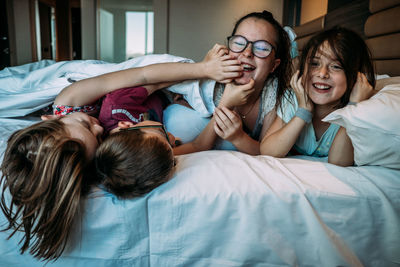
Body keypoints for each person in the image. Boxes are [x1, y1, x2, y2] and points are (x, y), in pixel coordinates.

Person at [0, 46, 242, 261]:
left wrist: (204, 69)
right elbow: (195, 146)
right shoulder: (114, 149)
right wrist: (224, 107)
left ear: (52, 118)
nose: (98, 127)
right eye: (98, 137)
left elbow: (142, 75)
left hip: (142, 86)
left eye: (86, 125)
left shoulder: (70, 100)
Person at [165, 10, 292, 155]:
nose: (247, 52)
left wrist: (239, 137)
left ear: (273, 65)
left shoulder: (272, 94)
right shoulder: (214, 83)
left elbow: (266, 151)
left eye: (262, 48)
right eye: (239, 43)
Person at [260, 27, 376, 166]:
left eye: (336, 66)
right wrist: (303, 111)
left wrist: (353, 107)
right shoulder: (294, 99)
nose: (322, 73)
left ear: (356, 76)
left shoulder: (355, 109)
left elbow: (338, 161)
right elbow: (268, 150)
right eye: (314, 64)